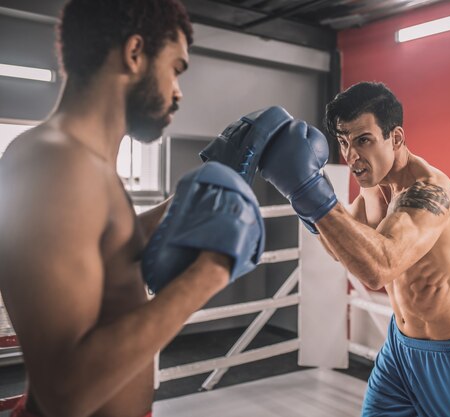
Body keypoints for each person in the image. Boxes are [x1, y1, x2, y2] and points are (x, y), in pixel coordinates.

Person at [0, 1, 262, 416]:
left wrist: (207, 185)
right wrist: (210, 273)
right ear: (135, 52)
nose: (178, 91)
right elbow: (64, 393)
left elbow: (106, 248)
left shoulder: (86, 163)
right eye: (176, 69)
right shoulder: (54, 163)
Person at [259, 81, 450, 417]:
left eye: (363, 140)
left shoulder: (430, 192)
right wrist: (299, 195)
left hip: (447, 357)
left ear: (396, 138)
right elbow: (343, 247)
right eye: (344, 143)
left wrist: (307, 190)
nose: (352, 156)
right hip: (399, 349)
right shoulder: (374, 190)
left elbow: (379, 267)